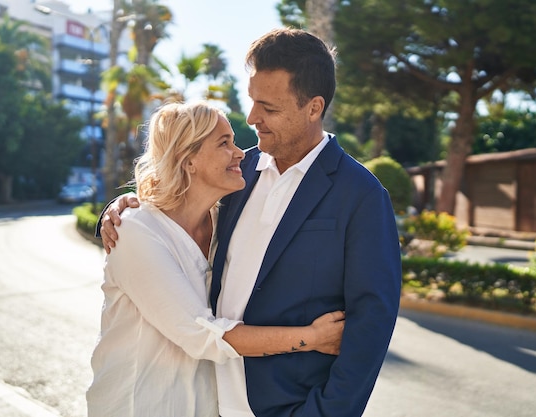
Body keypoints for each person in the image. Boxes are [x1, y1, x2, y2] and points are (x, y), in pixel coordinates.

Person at [100, 28, 402, 417]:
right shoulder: (239, 176)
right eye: (252, 101)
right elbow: (177, 209)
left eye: (269, 108)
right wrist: (126, 205)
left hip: (287, 407)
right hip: (207, 400)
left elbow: (371, 326)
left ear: (313, 108)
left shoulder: (361, 196)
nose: (252, 118)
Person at [87, 101, 345, 417]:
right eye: (224, 143)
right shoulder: (136, 231)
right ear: (188, 160)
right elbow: (201, 335)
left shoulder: (224, 223)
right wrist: (312, 338)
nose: (240, 153)